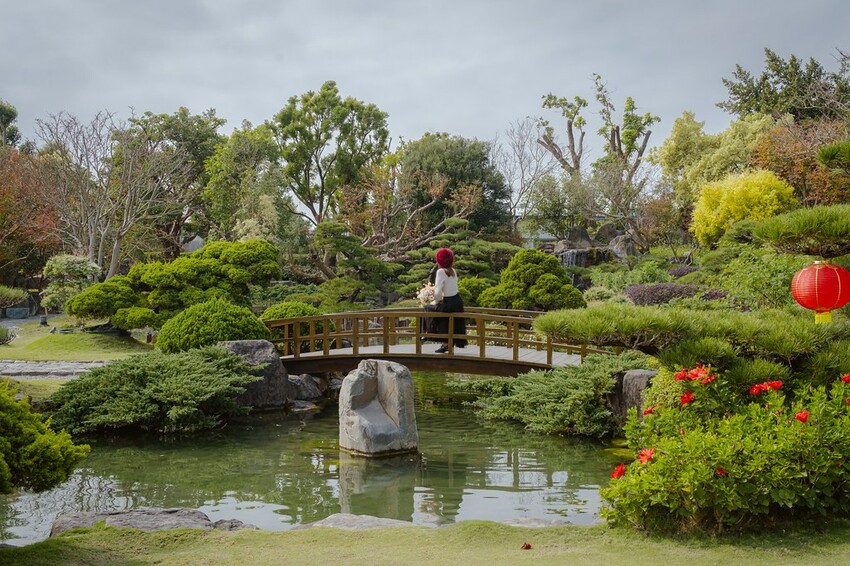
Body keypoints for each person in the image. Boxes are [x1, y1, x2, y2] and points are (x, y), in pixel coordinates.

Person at [424, 248, 467, 353]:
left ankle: (427, 334)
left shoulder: (440, 272)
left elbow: (438, 294)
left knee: (428, 308)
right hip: (457, 301)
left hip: (448, 302)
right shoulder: (453, 271)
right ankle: (446, 343)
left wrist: (434, 301)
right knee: (445, 317)